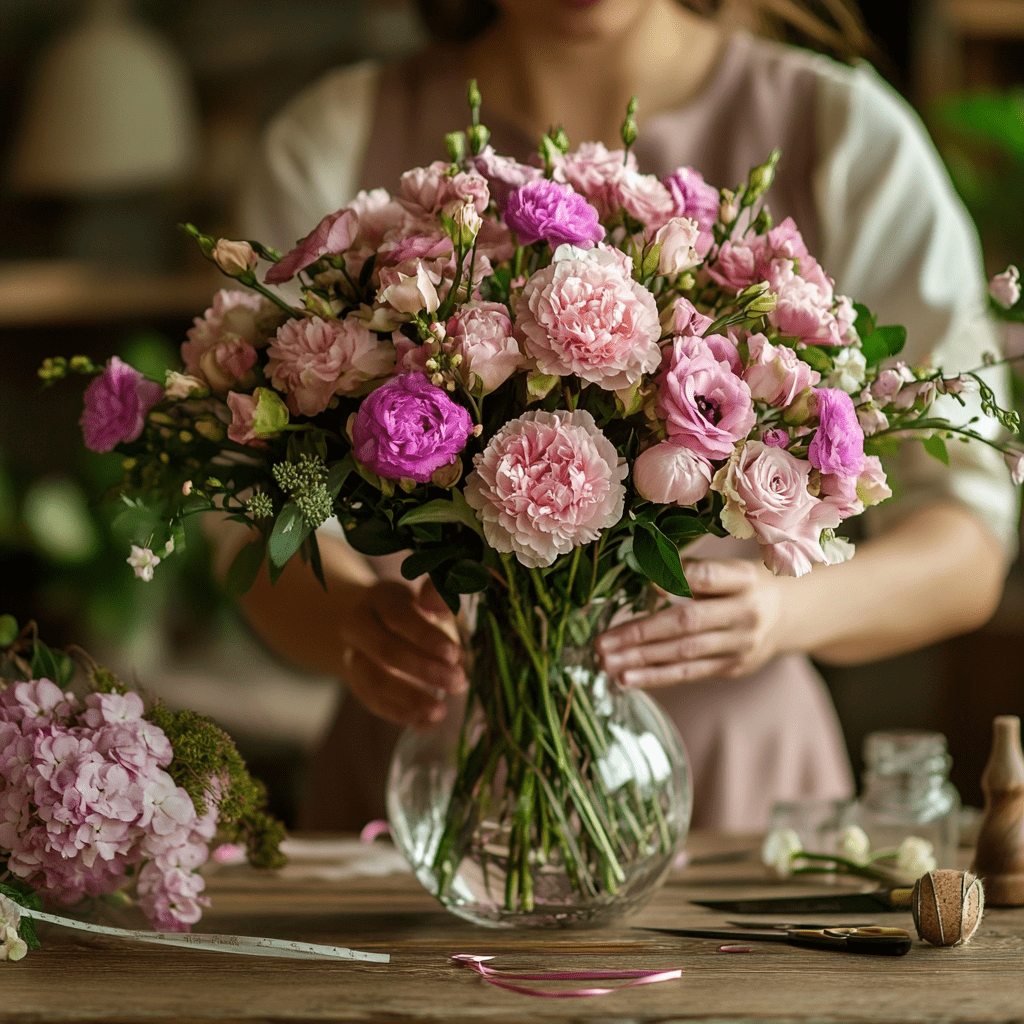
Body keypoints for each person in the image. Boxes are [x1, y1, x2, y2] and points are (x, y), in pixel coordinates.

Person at [235, 0, 1017, 832]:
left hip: (736, 795)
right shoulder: (339, 133)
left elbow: (966, 531)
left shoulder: (844, 134)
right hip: (421, 793)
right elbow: (254, 513)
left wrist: (785, 613)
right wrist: (358, 624)